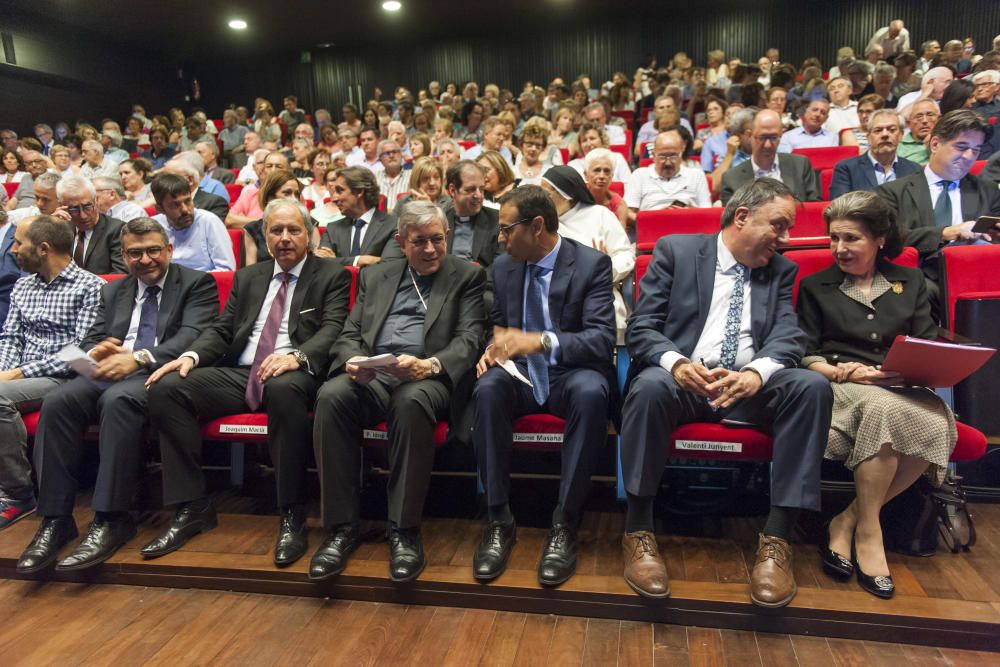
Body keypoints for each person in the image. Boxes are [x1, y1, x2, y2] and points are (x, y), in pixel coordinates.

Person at [620, 178, 833, 606]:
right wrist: (677, 364)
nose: (787, 239)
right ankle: (638, 529)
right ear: (741, 216)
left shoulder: (780, 270)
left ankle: (776, 538)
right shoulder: (676, 252)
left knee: (811, 386)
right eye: (779, 225)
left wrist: (757, 371)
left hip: (745, 388)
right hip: (684, 381)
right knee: (648, 386)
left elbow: (790, 337)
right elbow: (643, 328)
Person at [142, 199, 352, 565]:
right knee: (166, 389)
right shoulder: (249, 276)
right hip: (241, 371)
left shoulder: (330, 273)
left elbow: (333, 329)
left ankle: (291, 512)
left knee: (283, 389)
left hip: (294, 370)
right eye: (276, 230)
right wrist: (190, 357)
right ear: (265, 235)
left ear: (308, 234)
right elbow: (222, 330)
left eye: (293, 230)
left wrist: (296, 357)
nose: (284, 238)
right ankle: (192, 506)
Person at [16, 218, 219, 572]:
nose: (146, 260)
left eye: (154, 250)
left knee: (118, 401)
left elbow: (192, 335)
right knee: (59, 401)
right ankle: (55, 519)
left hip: (159, 372)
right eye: (136, 253)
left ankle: (111, 518)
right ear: (123, 256)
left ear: (168, 250)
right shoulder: (112, 291)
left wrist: (138, 357)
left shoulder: (195, 283)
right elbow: (88, 342)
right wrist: (91, 355)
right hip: (107, 373)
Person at [309, 201, 487, 582]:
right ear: (400, 241)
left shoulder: (467, 276)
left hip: (428, 376)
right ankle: (340, 529)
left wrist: (430, 365)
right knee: (331, 396)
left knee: (410, 402)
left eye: (437, 240)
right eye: (419, 241)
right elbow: (350, 333)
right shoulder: (378, 276)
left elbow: (470, 339)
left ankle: (403, 530)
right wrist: (353, 362)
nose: (430, 250)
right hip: (376, 372)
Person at [796, 192, 955, 599]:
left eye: (852, 239)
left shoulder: (913, 281)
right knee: (885, 412)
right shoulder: (817, 286)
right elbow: (803, 351)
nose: (839, 249)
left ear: (880, 238)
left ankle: (848, 520)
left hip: (900, 384)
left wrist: (895, 372)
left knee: (934, 419)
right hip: (843, 388)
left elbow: (925, 342)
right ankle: (871, 534)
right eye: (833, 238)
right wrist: (835, 370)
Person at [471, 183, 615, 586]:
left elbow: (602, 340)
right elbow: (499, 325)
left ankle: (565, 523)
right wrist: (492, 348)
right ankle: (498, 518)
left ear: (537, 226)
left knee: (591, 393)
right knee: (486, 390)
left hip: (569, 371)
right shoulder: (503, 266)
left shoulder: (591, 265)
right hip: (519, 371)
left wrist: (540, 340)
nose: (500, 239)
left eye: (506, 229)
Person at [0, 215, 104, 530]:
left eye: (18, 243)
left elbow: (80, 354)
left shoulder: (91, 287)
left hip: (64, 377)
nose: (12, 250)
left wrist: (16, 374)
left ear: (43, 248)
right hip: (20, 376)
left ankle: (19, 494)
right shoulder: (22, 285)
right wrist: (4, 370)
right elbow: (10, 338)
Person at [876, 110, 1000, 311]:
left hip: (978, 275)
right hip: (923, 275)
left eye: (976, 150)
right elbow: (888, 240)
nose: (969, 156)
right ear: (935, 144)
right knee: (920, 290)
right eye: (961, 147)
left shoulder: (987, 190)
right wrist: (946, 233)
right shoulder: (893, 192)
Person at [543, 166, 634, 340]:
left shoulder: (600, 215)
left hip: (597, 292)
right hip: (553, 295)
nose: (541, 199)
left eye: (546, 193)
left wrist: (600, 268)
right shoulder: (543, 224)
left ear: (565, 195)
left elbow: (626, 256)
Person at [721, 110, 821, 204]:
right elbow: (732, 220)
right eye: (762, 138)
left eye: (773, 138)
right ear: (749, 135)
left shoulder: (800, 165)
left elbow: (814, 209)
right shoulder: (731, 178)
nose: (768, 145)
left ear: (781, 134)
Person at [149, 173, 236, 272]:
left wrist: (189, 283)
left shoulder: (209, 221)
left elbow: (226, 269)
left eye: (187, 201)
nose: (185, 210)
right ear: (160, 209)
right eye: (175, 205)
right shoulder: (154, 226)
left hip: (204, 284)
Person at [316, 166, 401, 266]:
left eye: (340, 191)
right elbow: (321, 264)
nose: (334, 198)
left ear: (359, 191)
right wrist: (361, 260)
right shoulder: (332, 229)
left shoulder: (393, 225)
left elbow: (391, 264)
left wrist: (337, 261)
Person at [829, 109, 921, 199]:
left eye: (891, 130)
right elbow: (839, 209)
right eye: (878, 130)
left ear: (901, 135)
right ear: (868, 138)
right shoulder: (847, 169)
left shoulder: (914, 170)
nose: (885, 134)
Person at [625, 129, 712, 213]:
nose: (668, 162)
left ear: (681, 154)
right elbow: (628, 212)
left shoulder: (696, 175)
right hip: (652, 225)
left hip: (688, 223)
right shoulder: (639, 175)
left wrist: (693, 212)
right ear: (653, 155)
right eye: (662, 157)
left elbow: (707, 212)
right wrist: (653, 218)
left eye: (673, 156)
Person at [56, 175, 128, 274]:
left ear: (96, 201)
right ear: (61, 206)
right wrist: (51, 227)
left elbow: (120, 274)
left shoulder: (116, 230)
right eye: (74, 209)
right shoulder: (61, 229)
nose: (83, 215)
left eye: (88, 206)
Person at [162, 154, 230, 220]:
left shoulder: (215, 203)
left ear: (190, 180)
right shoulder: (165, 202)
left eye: (171, 178)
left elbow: (207, 230)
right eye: (163, 178)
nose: (164, 182)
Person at [584, 149, 630, 232]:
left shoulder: (619, 205)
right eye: (597, 170)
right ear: (586, 175)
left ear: (612, 176)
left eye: (606, 171)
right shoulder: (575, 199)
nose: (602, 176)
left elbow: (621, 238)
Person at [895, 98, 940, 165]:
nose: (924, 120)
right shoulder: (897, 146)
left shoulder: (949, 142)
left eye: (930, 115)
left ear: (939, 119)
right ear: (908, 123)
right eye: (919, 116)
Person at [375, 140, 411, 212]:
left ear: (401, 155)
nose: (391, 155)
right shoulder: (374, 178)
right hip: (379, 221)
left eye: (395, 152)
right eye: (387, 153)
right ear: (380, 159)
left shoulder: (412, 176)